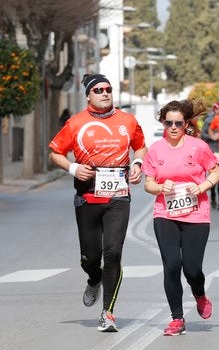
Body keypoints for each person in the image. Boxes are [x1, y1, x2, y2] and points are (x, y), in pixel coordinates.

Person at [49, 73, 146, 333]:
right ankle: (94, 278)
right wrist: (73, 168)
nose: (105, 93)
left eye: (108, 89)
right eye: (99, 90)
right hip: (88, 194)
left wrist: (137, 164)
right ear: (89, 96)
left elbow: (141, 147)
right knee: (89, 258)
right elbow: (55, 152)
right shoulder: (75, 123)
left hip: (118, 195)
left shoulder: (128, 121)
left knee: (113, 252)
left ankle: (108, 313)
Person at [143, 99, 219, 336]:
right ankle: (177, 318)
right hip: (165, 214)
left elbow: (216, 171)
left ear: (186, 124)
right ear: (163, 123)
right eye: (169, 123)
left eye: (178, 123)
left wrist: (202, 187)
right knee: (172, 265)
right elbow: (148, 183)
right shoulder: (156, 149)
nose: (174, 127)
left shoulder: (198, 147)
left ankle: (199, 294)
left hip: (196, 215)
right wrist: (159, 187)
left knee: (192, 269)